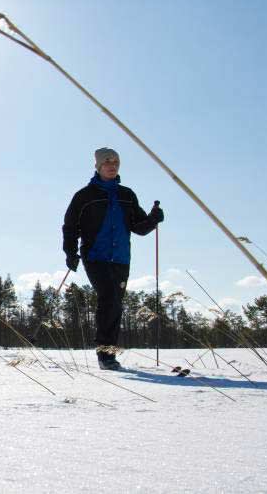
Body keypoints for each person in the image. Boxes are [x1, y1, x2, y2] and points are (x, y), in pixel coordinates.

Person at [62, 148, 163, 370]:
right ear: (98, 166)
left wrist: (154, 219)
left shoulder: (127, 195)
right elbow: (70, 227)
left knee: (116, 303)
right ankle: (105, 354)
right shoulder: (84, 196)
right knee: (108, 297)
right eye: (107, 162)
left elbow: (138, 227)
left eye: (116, 162)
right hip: (95, 255)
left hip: (121, 258)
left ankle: (110, 350)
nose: (112, 165)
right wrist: (70, 252)